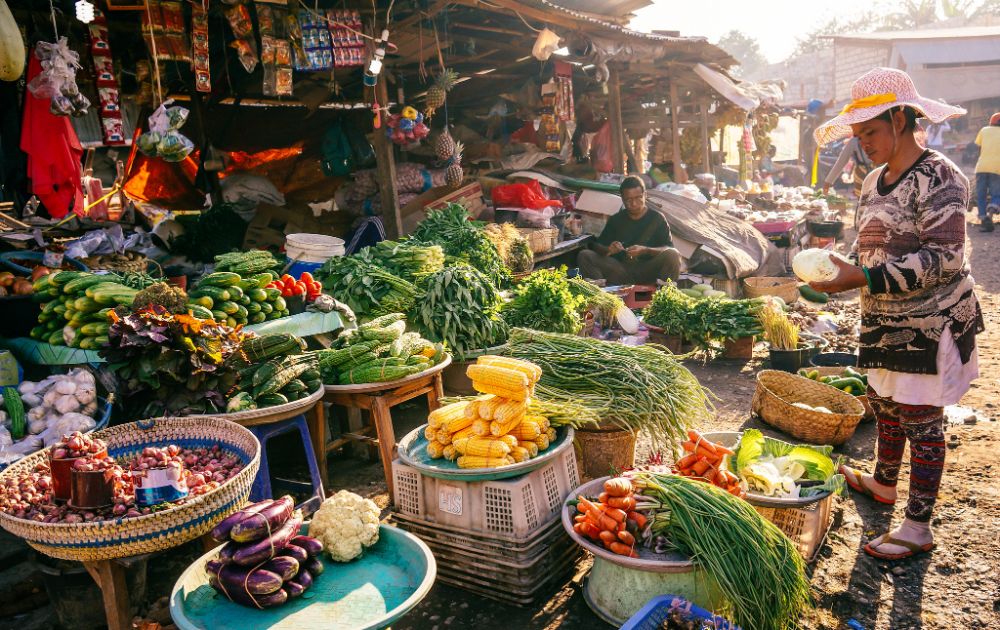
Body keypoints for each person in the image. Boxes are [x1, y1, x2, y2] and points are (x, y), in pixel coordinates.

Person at [810, 67, 984, 561]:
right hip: (884, 318)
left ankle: (918, 526)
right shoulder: (872, 179)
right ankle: (884, 483)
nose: (863, 143)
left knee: (921, 420)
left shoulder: (940, 176)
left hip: (929, 322)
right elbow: (870, 242)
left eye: (871, 131)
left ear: (901, 119)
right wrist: (841, 268)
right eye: (858, 134)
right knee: (884, 403)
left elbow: (945, 258)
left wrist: (862, 277)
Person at [577, 176, 680, 285]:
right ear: (622, 199)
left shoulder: (657, 218)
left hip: (649, 271)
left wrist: (646, 250)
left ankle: (664, 292)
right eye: (629, 200)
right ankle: (599, 292)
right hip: (621, 271)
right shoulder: (616, 219)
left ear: (645, 195)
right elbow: (598, 246)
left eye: (638, 198)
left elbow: (668, 248)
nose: (634, 203)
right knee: (585, 255)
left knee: (672, 254)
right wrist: (609, 249)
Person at [973, 112, 1000, 232]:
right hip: (997, 168)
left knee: (981, 195)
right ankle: (991, 212)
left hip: (981, 167)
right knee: (996, 194)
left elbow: (979, 149)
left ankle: (984, 219)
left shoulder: (984, 130)